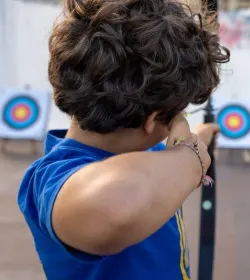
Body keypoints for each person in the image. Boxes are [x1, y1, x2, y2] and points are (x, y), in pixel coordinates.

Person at [17, 0, 230, 279]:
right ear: (153, 119)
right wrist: (191, 157)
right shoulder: (51, 180)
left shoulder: (149, 153)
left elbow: (153, 162)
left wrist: (200, 136)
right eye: (181, 110)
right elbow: (116, 207)